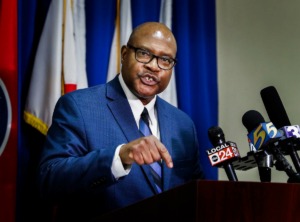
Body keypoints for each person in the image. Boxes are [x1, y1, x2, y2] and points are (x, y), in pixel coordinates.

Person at [38, 22, 205, 221]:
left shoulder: (183, 124)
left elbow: (196, 191)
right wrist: (119, 157)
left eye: (165, 60)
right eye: (144, 53)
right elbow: (50, 179)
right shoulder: (79, 106)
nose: (153, 66)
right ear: (125, 54)